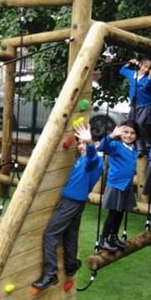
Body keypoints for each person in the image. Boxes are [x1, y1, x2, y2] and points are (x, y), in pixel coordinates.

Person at [32, 123, 104, 290]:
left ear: (96, 144)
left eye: (83, 143)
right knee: (70, 234)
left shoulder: (94, 160)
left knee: (50, 235)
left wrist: (90, 143)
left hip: (71, 203)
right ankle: (71, 265)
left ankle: (50, 274)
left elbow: (93, 157)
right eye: (79, 143)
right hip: (76, 203)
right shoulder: (84, 159)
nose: (80, 146)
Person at [97, 122, 140, 252]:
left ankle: (113, 237)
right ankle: (103, 240)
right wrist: (111, 135)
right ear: (120, 134)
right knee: (113, 213)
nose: (129, 135)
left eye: (132, 133)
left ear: (137, 135)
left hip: (126, 185)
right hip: (116, 184)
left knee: (120, 212)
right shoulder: (116, 145)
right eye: (125, 132)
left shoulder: (134, 149)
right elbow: (101, 147)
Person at [120, 56, 151, 156]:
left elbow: (147, 86)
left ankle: (142, 148)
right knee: (131, 125)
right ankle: (132, 146)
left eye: (149, 68)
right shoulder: (132, 74)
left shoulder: (148, 78)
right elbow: (122, 70)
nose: (146, 69)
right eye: (145, 66)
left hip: (146, 105)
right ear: (140, 65)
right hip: (134, 105)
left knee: (141, 125)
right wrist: (129, 62)